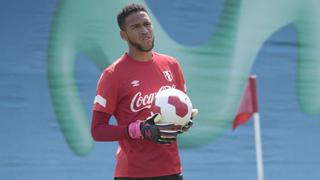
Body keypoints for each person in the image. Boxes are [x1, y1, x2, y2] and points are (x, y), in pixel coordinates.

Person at [91, 3, 198, 180]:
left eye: (147, 24)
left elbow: (177, 113)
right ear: (123, 35)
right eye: (136, 27)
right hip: (133, 173)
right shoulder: (113, 75)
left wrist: (183, 121)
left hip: (171, 170)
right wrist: (138, 130)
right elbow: (97, 130)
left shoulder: (171, 65)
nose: (144, 31)